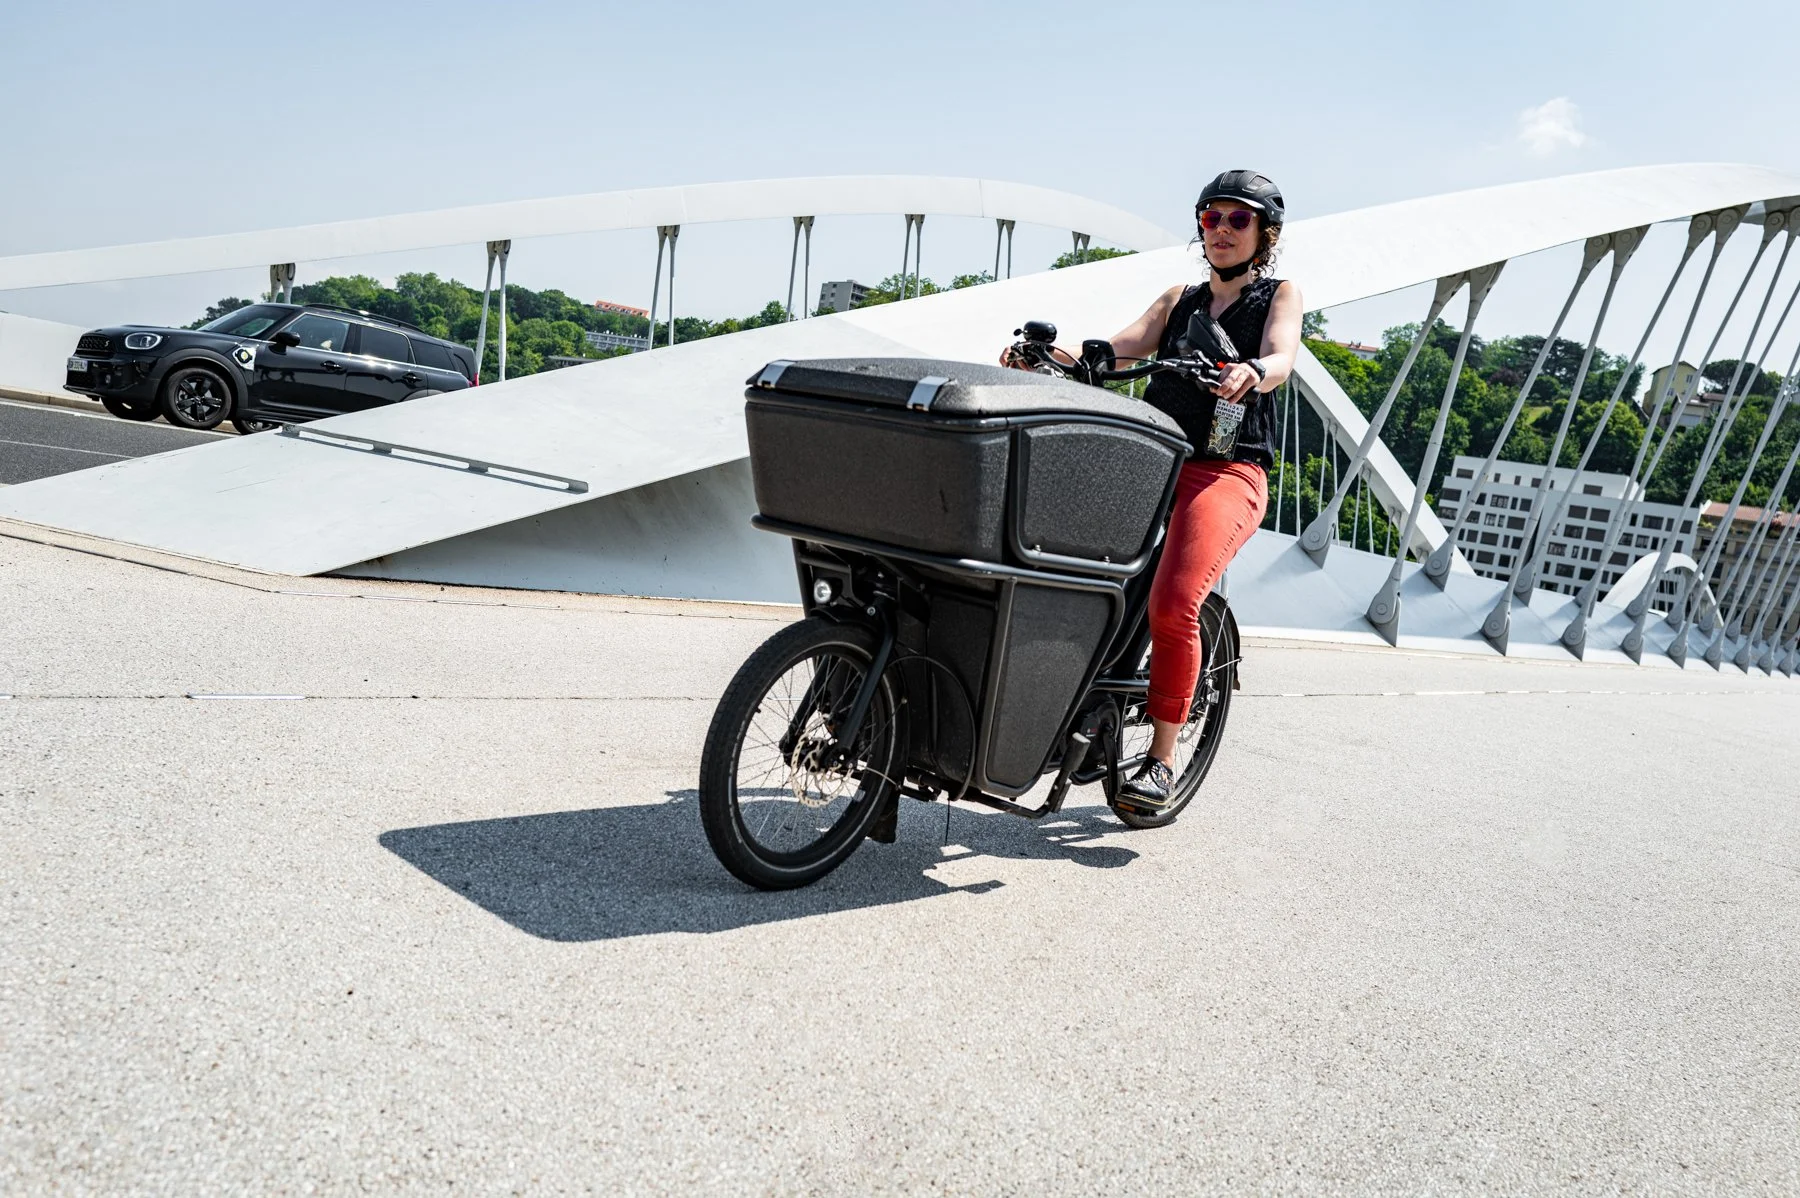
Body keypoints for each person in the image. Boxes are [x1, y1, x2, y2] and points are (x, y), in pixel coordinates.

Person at [1004, 170, 1303, 810]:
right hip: (1152, 463)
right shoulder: (1179, 300)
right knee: (1052, 559)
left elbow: (1283, 357)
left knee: (1173, 602)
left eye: (1237, 219)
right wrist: (1048, 360)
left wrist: (1253, 371)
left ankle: (1162, 761)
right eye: (1210, 217)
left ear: (1264, 233)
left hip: (1226, 472)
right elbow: (1113, 352)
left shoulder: (1277, 295)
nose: (1220, 230)